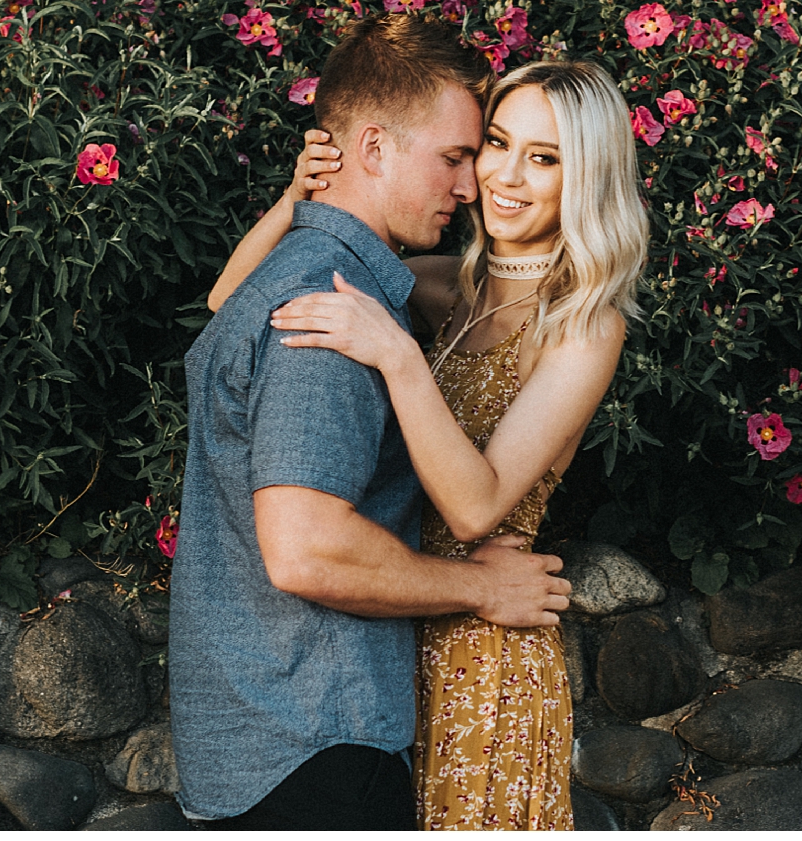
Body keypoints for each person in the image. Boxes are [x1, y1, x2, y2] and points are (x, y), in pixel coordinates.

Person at [169, 14, 575, 830]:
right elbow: (305, 549)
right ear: (376, 149)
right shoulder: (334, 310)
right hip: (313, 744)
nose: (471, 188)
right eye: (456, 157)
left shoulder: (304, 277)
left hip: (258, 741)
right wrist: (482, 585)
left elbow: (216, 305)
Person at [247, 57, 649, 829]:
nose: (505, 175)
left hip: (487, 654)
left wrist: (399, 356)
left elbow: (475, 505)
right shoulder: (445, 289)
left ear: (585, 179)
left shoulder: (584, 323)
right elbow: (236, 297)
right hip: (400, 632)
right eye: (497, 143)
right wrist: (298, 200)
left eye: (545, 158)